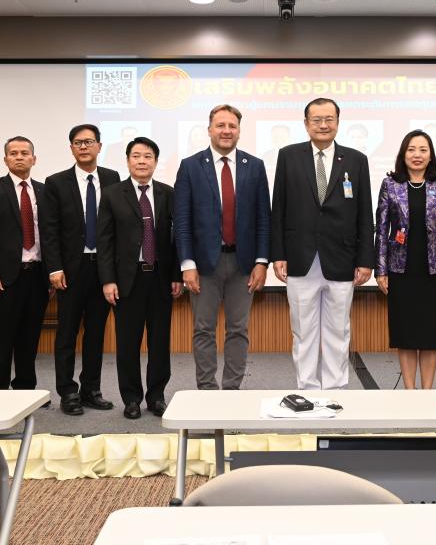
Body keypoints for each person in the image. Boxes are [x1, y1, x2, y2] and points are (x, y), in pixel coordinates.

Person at [270, 97, 374, 390]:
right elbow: (279, 207)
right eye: (317, 120)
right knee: (303, 332)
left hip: (342, 258)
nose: (323, 125)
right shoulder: (288, 156)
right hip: (299, 257)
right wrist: (278, 253)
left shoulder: (356, 160)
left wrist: (366, 259)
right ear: (306, 124)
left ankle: (335, 389)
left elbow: (365, 213)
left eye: (329, 119)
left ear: (338, 123)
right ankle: (308, 389)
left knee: (337, 331)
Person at [174, 104, 271, 390]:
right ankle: (207, 389)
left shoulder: (255, 166)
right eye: (220, 125)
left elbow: (263, 218)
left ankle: (231, 391)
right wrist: (187, 264)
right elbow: (182, 220)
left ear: (239, 131)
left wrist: (261, 261)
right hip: (204, 265)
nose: (226, 131)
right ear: (209, 130)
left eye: (232, 126)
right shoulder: (190, 166)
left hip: (243, 264)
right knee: (203, 329)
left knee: (238, 329)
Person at [98, 137, 182, 419]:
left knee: (160, 342)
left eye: (148, 156)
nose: (142, 161)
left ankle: (156, 396)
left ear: (155, 162)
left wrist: (176, 275)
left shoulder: (168, 194)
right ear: (127, 161)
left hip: (159, 278)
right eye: (136, 156)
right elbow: (105, 241)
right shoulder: (112, 194)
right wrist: (108, 280)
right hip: (126, 280)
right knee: (127, 343)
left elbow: (176, 240)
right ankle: (131, 398)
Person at [41, 124, 120, 416]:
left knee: (96, 333)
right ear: (71, 148)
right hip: (70, 271)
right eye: (78, 142)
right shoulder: (56, 182)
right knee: (67, 333)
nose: (83, 147)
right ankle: (68, 391)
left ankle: (91, 390)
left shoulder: (112, 178)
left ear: (99, 146)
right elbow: (49, 230)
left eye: (89, 141)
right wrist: (54, 268)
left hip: (103, 268)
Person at [375, 129, 436, 389]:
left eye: (423, 150)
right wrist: (381, 270)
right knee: (406, 333)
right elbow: (382, 228)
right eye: (411, 149)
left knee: (431, 334)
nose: (417, 155)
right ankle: (410, 390)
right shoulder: (390, 185)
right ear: (403, 153)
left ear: (431, 155)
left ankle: (427, 390)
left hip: (434, 270)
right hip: (401, 270)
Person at [0, 136, 50, 390]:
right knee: (2, 339)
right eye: (13, 153)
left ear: (34, 159)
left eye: (24, 153)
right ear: (5, 159)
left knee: (30, 339)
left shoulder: (44, 191)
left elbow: (50, 234)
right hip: (4, 278)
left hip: (37, 275)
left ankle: (25, 389)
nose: (19, 157)